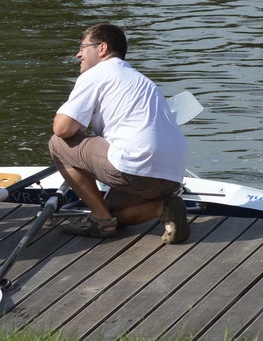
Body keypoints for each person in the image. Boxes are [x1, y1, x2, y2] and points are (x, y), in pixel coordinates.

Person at [47, 23, 190, 244]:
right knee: (111, 211)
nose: (78, 55)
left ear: (102, 48)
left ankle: (100, 220)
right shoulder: (143, 80)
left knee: (58, 143)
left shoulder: (96, 74)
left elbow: (62, 128)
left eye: (83, 47)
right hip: (173, 174)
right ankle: (161, 207)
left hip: (135, 166)